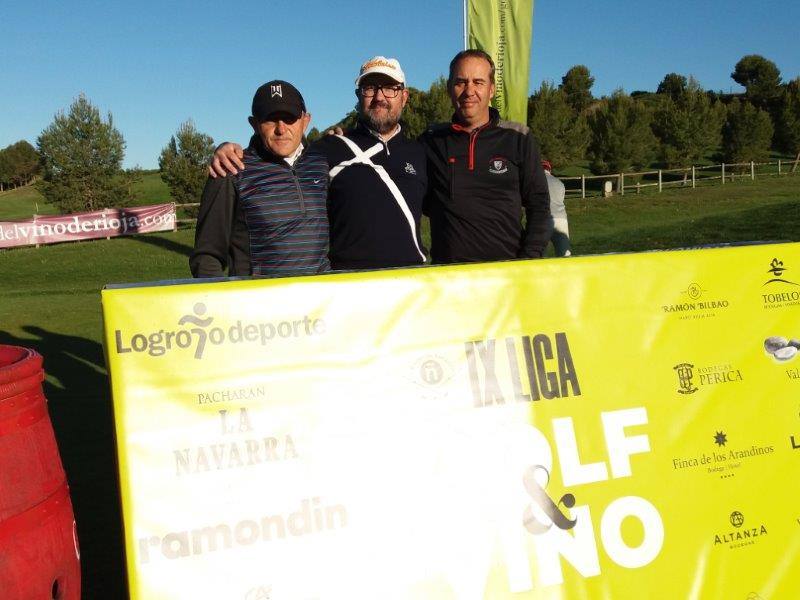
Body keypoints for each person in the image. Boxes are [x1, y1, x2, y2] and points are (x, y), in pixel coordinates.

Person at [209, 57, 427, 271]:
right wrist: (225, 149)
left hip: (412, 286)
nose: (379, 97)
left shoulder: (421, 151)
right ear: (358, 96)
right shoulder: (328, 149)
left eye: (390, 88)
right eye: (369, 88)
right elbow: (286, 150)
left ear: (404, 96)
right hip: (347, 287)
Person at [419, 49, 552, 264]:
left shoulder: (518, 138)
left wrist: (529, 261)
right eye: (461, 82)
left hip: (507, 277)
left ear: (491, 89)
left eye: (478, 82)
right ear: (449, 89)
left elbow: (540, 206)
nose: (469, 91)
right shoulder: (430, 141)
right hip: (449, 280)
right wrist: (351, 140)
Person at [190, 80, 330, 277]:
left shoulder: (322, 164)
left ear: (305, 121)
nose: (281, 129)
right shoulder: (230, 169)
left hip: (319, 302)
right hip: (257, 304)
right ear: (254, 124)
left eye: (289, 118)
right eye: (270, 119)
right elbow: (207, 256)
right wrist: (223, 305)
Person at [542, 160, 571, 257]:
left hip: (543, 219)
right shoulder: (559, 183)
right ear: (549, 169)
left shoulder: (536, 181)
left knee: (540, 254)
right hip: (561, 219)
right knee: (564, 254)